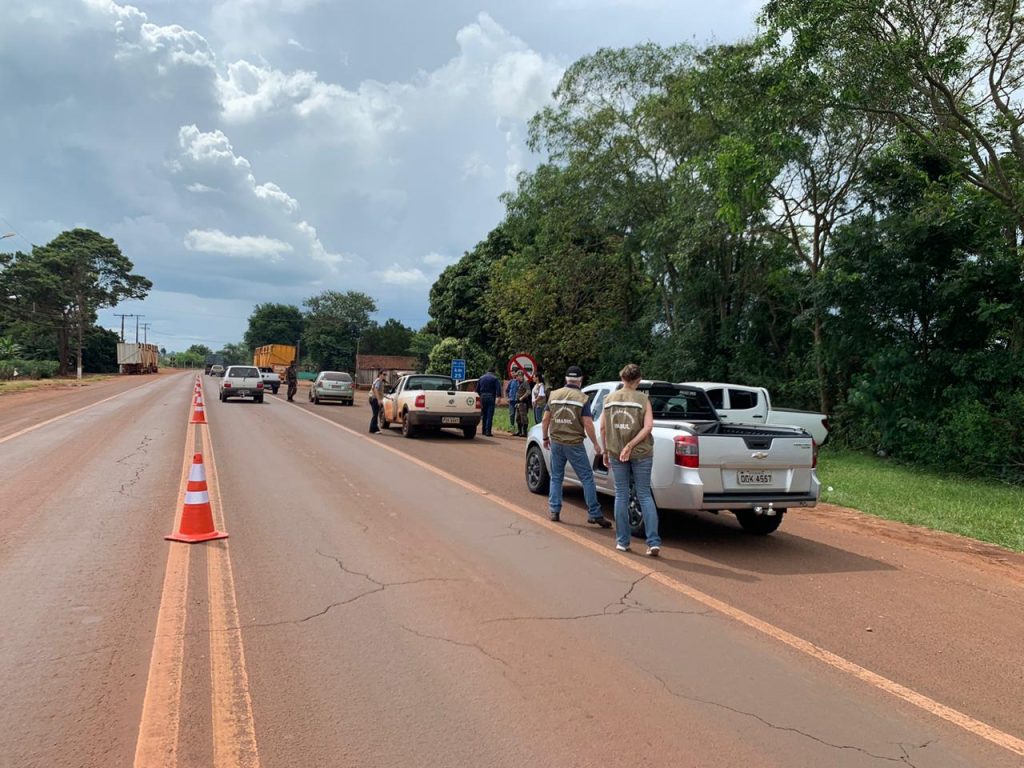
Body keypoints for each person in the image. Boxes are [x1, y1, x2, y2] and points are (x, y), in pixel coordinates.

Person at [601, 363, 661, 556]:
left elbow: (603, 427)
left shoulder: (608, 399)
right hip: (642, 453)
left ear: (622, 378)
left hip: (616, 452)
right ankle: (652, 542)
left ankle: (622, 541)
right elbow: (648, 427)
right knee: (644, 494)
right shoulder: (643, 399)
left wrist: (605, 450)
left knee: (621, 494)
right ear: (638, 380)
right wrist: (632, 445)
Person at [542, 365, 610, 527]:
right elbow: (587, 422)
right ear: (580, 380)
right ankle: (594, 513)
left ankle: (554, 510)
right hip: (574, 444)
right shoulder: (582, 398)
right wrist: (596, 443)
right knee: (586, 477)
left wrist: (545, 437)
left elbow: (545, 419)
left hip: (557, 442)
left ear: (566, 379)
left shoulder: (554, 395)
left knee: (556, 477)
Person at [475, 367, 502, 436]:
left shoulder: (481, 378)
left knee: (484, 415)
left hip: (482, 397)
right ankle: (488, 432)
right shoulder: (495, 378)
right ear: (494, 372)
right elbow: (498, 389)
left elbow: (477, 389)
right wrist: (498, 397)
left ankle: (483, 431)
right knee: (489, 415)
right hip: (491, 397)